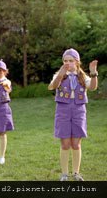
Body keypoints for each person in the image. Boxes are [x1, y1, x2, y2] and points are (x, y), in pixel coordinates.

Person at [48, 48, 98, 181]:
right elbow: (52, 86)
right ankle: (64, 173)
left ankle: (76, 173)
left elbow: (92, 87)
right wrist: (60, 74)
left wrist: (93, 73)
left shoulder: (82, 77)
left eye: (71, 60)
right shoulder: (59, 75)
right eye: (65, 61)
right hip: (63, 110)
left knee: (76, 144)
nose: (68, 63)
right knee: (65, 143)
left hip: (78, 110)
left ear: (77, 62)